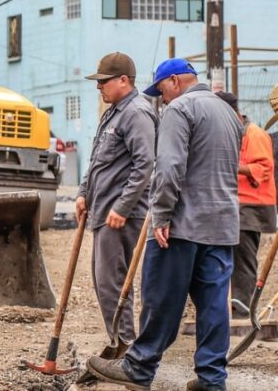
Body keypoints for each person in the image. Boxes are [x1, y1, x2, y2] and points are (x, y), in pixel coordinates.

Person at [87, 58, 244, 391]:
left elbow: (169, 167)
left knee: (161, 297)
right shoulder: (229, 115)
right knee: (214, 304)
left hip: (182, 225)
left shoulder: (180, 110)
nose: (162, 98)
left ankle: (139, 367)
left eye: (161, 90)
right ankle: (212, 379)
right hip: (223, 226)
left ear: (174, 81)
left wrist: (161, 214)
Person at [77, 52, 157, 347]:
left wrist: (122, 207)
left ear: (124, 80)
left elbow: (145, 165)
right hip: (103, 210)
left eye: (104, 82)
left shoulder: (136, 112)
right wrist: (83, 193)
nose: (99, 87)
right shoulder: (113, 112)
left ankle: (126, 348)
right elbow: (98, 160)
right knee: (103, 283)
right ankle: (119, 344)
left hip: (122, 215)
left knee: (113, 284)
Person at [215, 92, 277, 317]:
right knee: (229, 256)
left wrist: (228, 166)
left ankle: (241, 310)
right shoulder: (232, 133)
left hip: (252, 206)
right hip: (235, 204)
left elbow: (264, 168)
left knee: (243, 258)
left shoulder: (255, 134)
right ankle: (232, 306)